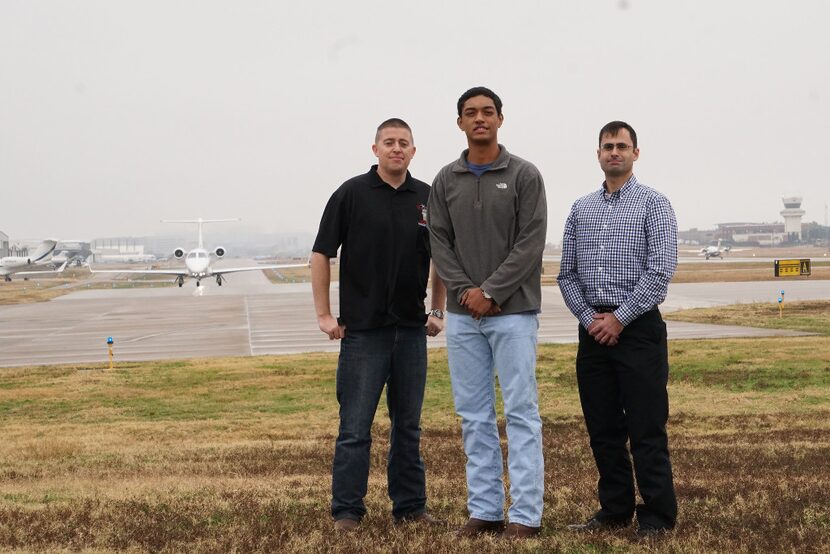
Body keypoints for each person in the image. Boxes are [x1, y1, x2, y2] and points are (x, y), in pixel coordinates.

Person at [311, 118, 447, 532]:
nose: (396, 149)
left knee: (408, 426)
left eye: (404, 143)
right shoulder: (351, 194)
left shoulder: (426, 198)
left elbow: (441, 258)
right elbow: (321, 253)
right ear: (375, 149)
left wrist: (438, 310)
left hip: (410, 332)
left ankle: (410, 508)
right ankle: (347, 512)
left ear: (413, 151)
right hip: (363, 334)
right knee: (355, 428)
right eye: (389, 142)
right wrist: (323, 315)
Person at [427, 87, 547, 539]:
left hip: (514, 314)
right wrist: (465, 293)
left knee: (520, 412)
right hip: (462, 319)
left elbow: (530, 243)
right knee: (474, 416)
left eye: (488, 112)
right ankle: (485, 510)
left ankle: (525, 516)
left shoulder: (524, 175)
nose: (480, 119)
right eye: (471, 113)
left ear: (500, 119)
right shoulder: (445, 180)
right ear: (459, 122)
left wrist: (492, 291)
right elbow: (439, 243)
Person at [557, 121, 678, 537]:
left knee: (646, 426)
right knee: (603, 428)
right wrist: (591, 319)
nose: (614, 152)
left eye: (622, 146)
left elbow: (660, 272)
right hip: (592, 331)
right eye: (607, 146)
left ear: (635, 153)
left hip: (638, 328)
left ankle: (658, 515)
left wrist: (620, 318)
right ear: (598, 154)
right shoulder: (580, 208)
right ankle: (614, 510)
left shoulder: (654, 205)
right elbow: (566, 275)